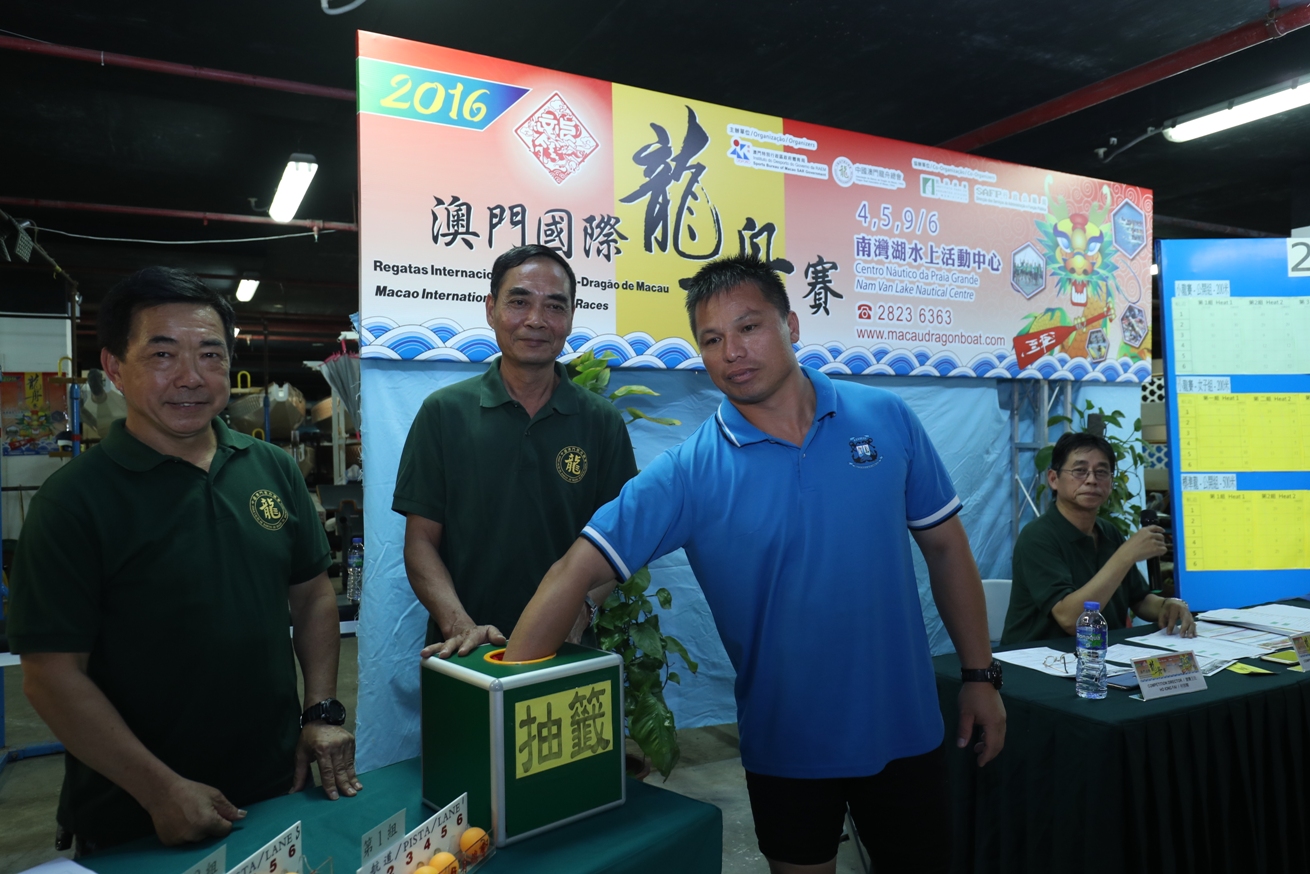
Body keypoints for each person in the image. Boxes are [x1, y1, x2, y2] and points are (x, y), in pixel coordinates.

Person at [496, 255, 1005, 874]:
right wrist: (502, 712)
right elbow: (573, 572)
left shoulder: (885, 419)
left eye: (749, 327)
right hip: (787, 745)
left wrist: (980, 676)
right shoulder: (690, 472)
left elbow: (946, 548)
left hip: (906, 729)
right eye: (711, 339)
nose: (732, 352)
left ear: (791, 324)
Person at [8, 267, 361, 854]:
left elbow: (312, 596)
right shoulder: (73, 501)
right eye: (163, 354)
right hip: (135, 813)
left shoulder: (271, 468)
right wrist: (158, 790)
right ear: (115, 368)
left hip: (278, 784)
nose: (191, 378)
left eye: (210, 355)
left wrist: (319, 712)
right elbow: (51, 676)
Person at [394, 245, 638, 658]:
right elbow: (420, 543)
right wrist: (460, 625)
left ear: (571, 317)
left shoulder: (601, 422)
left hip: (566, 653)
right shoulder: (444, 413)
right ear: (491, 309)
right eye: (519, 302)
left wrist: (581, 611)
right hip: (466, 652)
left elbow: (616, 543)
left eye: (554, 306)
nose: (536, 320)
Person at [1001, 431, 1195, 644]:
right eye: (1080, 471)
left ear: (1111, 482)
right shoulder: (1037, 537)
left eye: (1101, 472)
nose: (1092, 480)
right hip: (1041, 656)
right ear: (1054, 479)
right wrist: (1126, 555)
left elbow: (1139, 599)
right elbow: (1071, 620)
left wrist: (1166, 605)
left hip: (1104, 652)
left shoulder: (1108, 532)